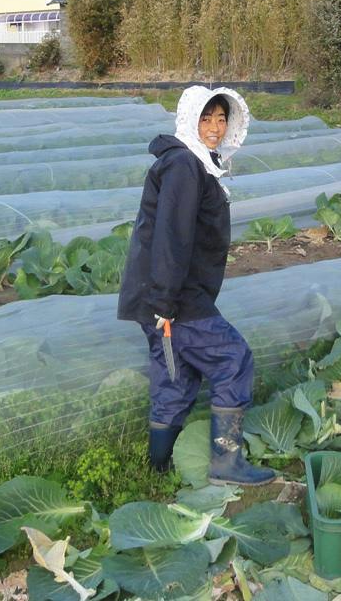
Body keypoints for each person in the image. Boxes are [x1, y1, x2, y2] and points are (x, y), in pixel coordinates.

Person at [117, 85, 276, 486]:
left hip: (164, 295)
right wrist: (166, 305)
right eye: (206, 118)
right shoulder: (185, 166)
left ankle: (157, 470)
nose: (215, 127)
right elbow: (172, 237)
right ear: (190, 120)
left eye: (221, 119)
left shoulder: (191, 162)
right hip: (175, 298)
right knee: (233, 359)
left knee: (176, 376)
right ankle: (227, 463)